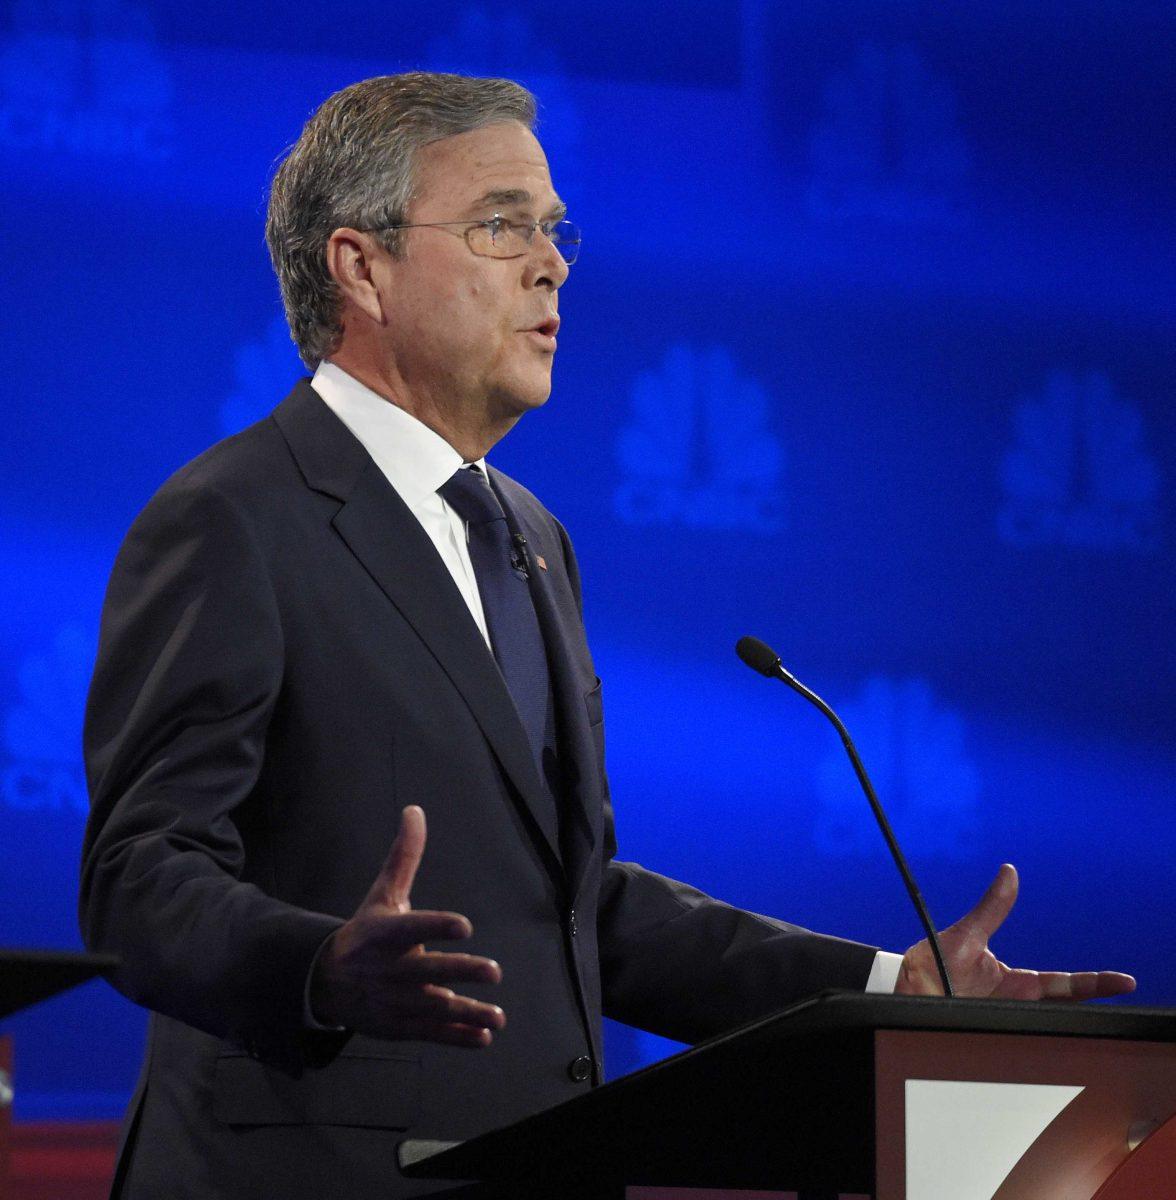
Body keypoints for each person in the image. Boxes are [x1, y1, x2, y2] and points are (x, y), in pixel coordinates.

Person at [79, 72, 1134, 1200]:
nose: (553, 263)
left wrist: (888, 990)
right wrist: (321, 969)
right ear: (363, 267)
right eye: (500, 225)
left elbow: (577, 907)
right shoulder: (235, 517)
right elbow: (138, 876)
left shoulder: (529, 535)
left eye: (552, 227)